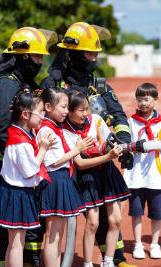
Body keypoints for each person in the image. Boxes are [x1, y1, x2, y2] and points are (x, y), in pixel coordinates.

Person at [40, 22, 136, 267]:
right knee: (52, 218)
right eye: (89, 53)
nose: (94, 59)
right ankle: (35, 259)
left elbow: (118, 114)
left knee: (107, 215)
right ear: (74, 54)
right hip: (63, 163)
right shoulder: (54, 84)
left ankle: (114, 259)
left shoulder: (98, 83)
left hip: (92, 160)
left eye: (96, 54)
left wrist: (124, 143)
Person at [0, 27, 57, 266]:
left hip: (4, 164)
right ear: (23, 56)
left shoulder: (22, 82)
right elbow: (3, 126)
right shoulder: (6, 85)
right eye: (38, 57)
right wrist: (26, 160)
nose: (40, 62)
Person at [62, 90, 131, 267]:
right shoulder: (66, 131)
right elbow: (80, 164)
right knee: (92, 223)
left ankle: (108, 261)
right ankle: (87, 264)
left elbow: (108, 142)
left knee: (115, 220)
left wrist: (114, 148)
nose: (86, 114)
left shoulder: (96, 120)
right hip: (88, 177)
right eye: (81, 110)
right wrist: (106, 155)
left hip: (107, 173)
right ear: (68, 111)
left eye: (87, 109)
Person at [0, 85, 56, 267]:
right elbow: (30, 171)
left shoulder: (20, 135)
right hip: (17, 194)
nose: (43, 115)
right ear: (26, 114)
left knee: (14, 242)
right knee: (17, 243)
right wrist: (43, 149)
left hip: (14, 193)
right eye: (40, 112)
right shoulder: (21, 142)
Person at [35, 86, 93, 267]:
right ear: (48, 107)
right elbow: (53, 162)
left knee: (57, 234)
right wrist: (78, 150)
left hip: (61, 180)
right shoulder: (47, 129)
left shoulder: (54, 127)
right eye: (64, 107)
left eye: (68, 107)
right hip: (55, 181)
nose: (67, 111)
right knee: (53, 234)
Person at [123, 83, 161, 260]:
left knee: (156, 212)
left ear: (156, 100)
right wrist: (135, 147)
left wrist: (154, 144)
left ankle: (154, 244)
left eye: (146, 99)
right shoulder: (131, 121)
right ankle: (137, 244)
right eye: (139, 99)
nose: (142, 103)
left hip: (155, 175)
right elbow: (126, 144)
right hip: (135, 175)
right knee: (136, 211)